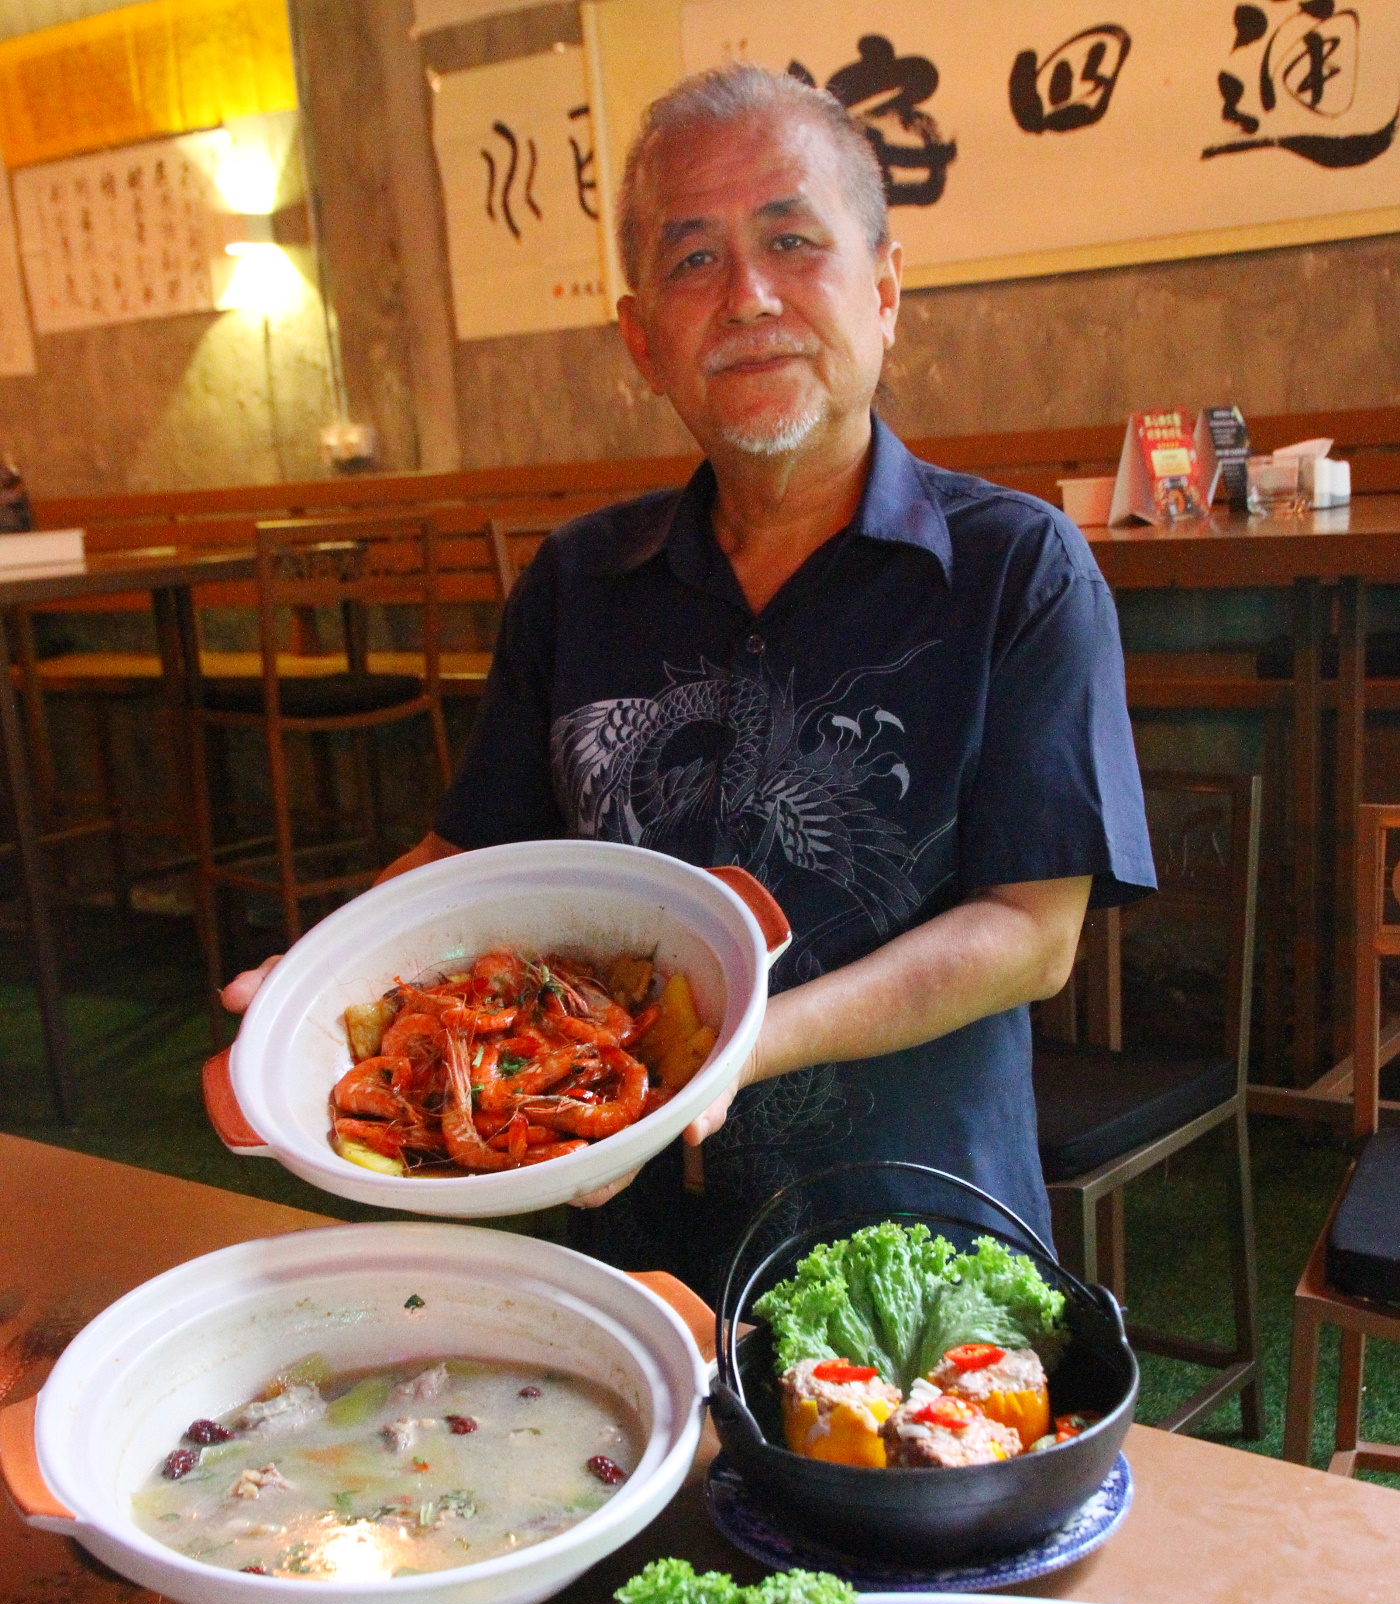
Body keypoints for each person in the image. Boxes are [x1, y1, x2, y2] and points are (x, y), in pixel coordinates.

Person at [226, 64, 1154, 1297]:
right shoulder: (575, 580)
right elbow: (470, 852)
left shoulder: (1016, 567)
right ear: (638, 341)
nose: (749, 296)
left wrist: (728, 1054)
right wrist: (316, 976)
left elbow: (1027, 937)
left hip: (909, 1224)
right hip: (615, 1235)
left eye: (790, 240)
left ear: (883, 292)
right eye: (692, 262)